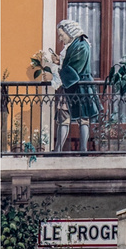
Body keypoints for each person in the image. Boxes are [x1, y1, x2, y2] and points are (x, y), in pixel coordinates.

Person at [40, 20, 100, 153]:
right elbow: (68, 64)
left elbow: (74, 69)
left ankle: (83, 150)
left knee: (83, 118)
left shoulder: (82, 46)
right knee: (63, 118)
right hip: (68, 87)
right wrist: (59, 61)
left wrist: (53, 77)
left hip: (80, 87)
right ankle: (58, 150)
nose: (60, 39)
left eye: (62, 35)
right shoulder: (72, 45)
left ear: (70, 32)